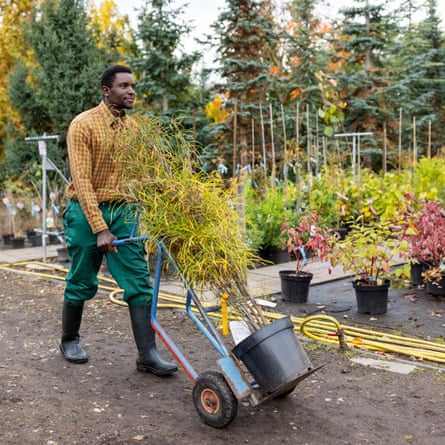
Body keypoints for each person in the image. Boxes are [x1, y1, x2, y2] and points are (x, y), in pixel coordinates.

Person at [60, 64, 177, 376]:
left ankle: (147, 354)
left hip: (123, 210)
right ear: (106, 90)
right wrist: (100, 228)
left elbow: (146, 176)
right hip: (86, 211)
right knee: (82, 276)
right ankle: (69, 340)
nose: (131, 91)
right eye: (124, 86)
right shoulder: (83, 125)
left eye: (133, 86)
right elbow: (82, 181)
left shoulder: (134, 130)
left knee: (138, 280)